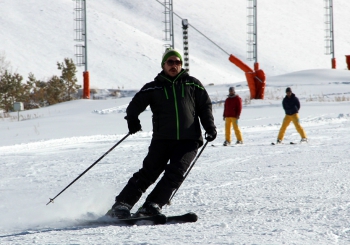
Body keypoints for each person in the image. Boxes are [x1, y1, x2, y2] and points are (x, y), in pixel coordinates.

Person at [109, 48, 217, 219]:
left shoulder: (193, 84)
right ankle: (121, 205)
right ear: (163, 65)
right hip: (162, 139)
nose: (174, 65)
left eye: (177, 62)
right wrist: (133, 121)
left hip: (189, 140)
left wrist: (209, 128)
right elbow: (134, 106)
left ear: (181, 65)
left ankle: (152, 205)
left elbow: (205, 107)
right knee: (148, 173)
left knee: (175, 172)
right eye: (170, 62)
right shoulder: (153, 87)